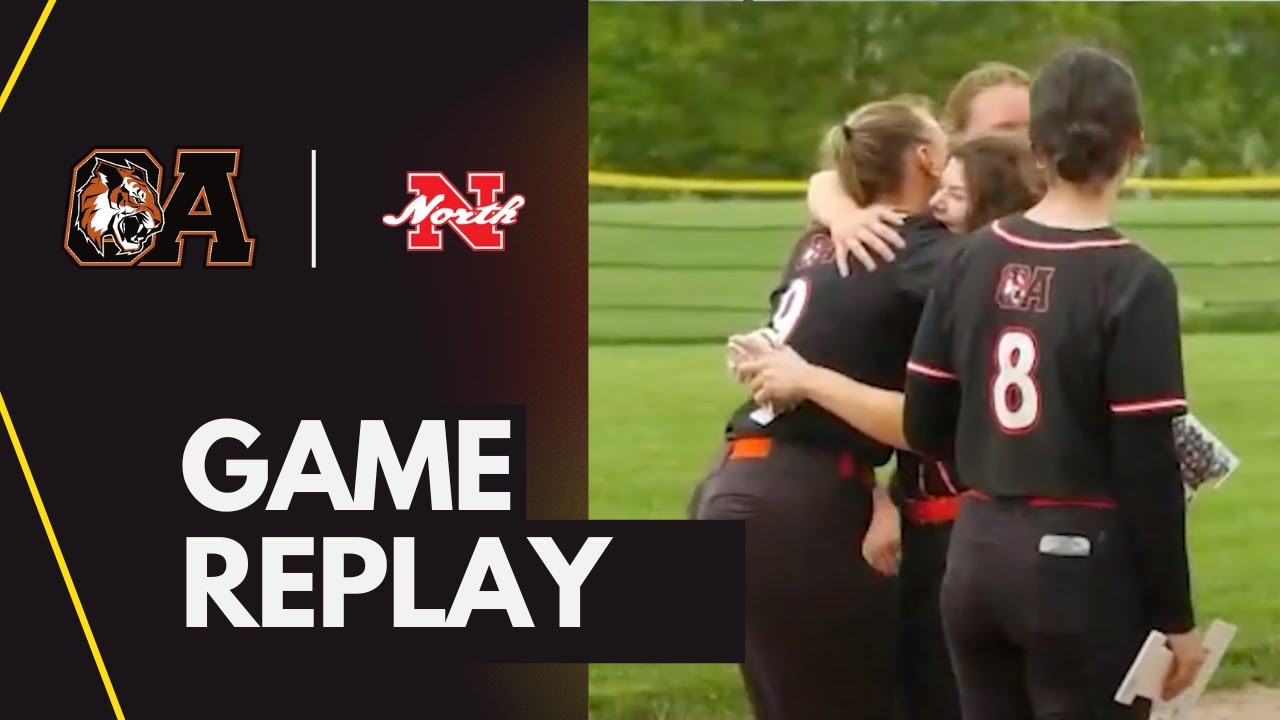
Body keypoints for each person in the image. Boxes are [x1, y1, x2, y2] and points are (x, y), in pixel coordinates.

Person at [902, 47, 1205, 719]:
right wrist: (1176, 618)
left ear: (1036, 146)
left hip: (976, 552)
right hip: (1081, 568)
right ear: (1135, 143)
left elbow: (923, 421)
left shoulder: (970, 258)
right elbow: (1145, 465)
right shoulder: (1134, 279)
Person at [733, 132, 1044, 720]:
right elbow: (831, 174)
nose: (939, 207)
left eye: (958, 194)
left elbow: (927, 422)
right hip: (926, 532)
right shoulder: (935, 260)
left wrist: (808, 378)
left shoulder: (971, 275)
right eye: (943, 188)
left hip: (985, 532)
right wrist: (880, 495)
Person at [690, 96, 952, 720]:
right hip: (798, 506)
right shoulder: (918, 246)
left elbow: (826, 187)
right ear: (922, 157)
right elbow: (934, 417)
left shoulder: (820, 238)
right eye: (940, 139)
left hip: (738, 486)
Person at [808, 62, 1031, 274]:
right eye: (1006, 129)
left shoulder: (1046, 183)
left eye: (1033, 126)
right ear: (956, 136)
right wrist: (844, 216)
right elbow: (828, 180)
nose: (1026, 140)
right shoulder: (933, 191)